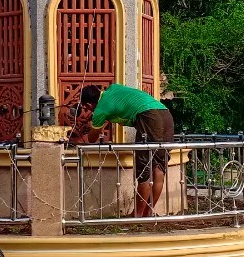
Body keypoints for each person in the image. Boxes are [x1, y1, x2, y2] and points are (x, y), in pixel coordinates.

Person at [70, 84, 175, 217]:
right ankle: (148, 214)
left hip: (149, 117)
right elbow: (120, 105)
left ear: (89, 105)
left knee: (144, 169)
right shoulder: (113, 88)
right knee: (159, 167)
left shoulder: (100, 109)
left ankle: (137, 215)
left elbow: (92, 138)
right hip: (165, 114)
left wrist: (89, 127)